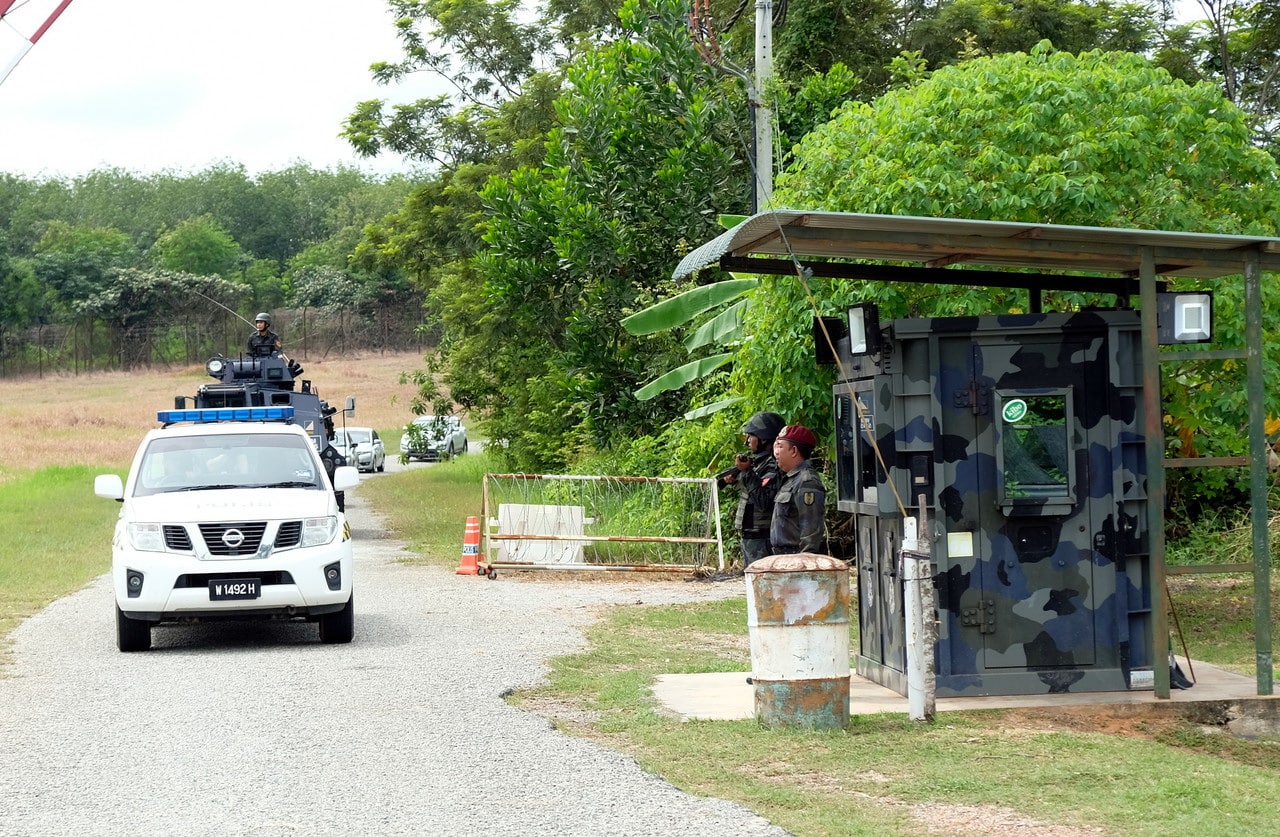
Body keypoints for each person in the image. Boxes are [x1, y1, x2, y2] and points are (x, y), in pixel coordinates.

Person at [719, 411, 785, 568]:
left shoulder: (772, 465)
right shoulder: (759, 463)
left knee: (762, 580)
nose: (747, 441)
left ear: (763, 438)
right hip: (752, 534)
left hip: (762, 536)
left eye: (751, 436)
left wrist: (747, 472)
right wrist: (733, 478)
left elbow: (763, 501)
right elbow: (750, 491)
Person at [770, 424, 827, 555]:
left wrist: (805, 561)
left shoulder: (806, 481)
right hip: (783, 557)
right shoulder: (791, 478)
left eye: (780, 446)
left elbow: (811, 529)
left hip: (795, 559)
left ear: (794, 451)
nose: (776, 452)